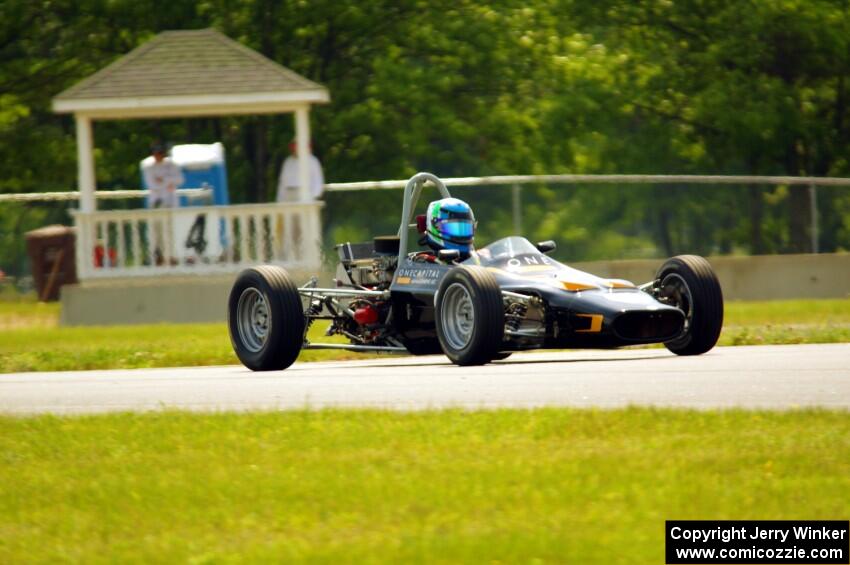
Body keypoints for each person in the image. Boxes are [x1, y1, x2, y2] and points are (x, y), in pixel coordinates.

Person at [142, 142, 184, 209]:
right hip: (156, 199)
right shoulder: (149, 167)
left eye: (160, 153)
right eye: (156, 153)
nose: (158, 155)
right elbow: (151, 184)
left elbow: (180, 180)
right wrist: (169, 183)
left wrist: (164, 179)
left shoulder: (173, 165)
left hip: (171, 199)